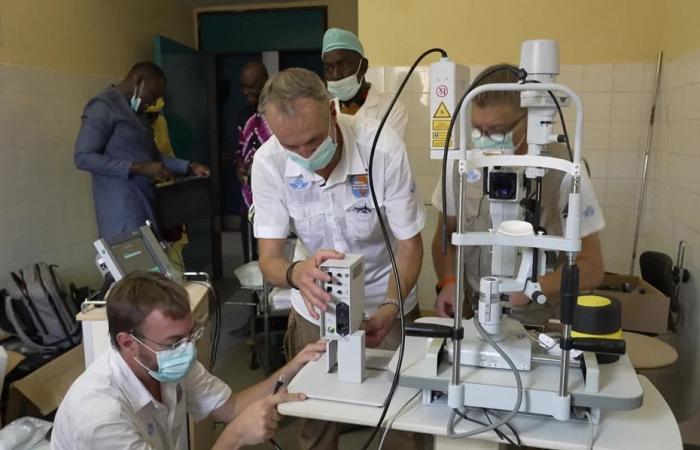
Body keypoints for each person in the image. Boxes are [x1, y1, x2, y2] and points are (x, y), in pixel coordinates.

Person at [251, 68, 426, 449]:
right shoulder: (268, 162)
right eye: (291, 146)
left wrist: (390, 307)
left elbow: (410, 245)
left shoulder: (381, 148)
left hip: (386, 294)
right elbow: (269, 259)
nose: (306, 156)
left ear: (332, 111)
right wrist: (297, 274)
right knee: (314, 414)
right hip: (315, 303)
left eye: (314, 141)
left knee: (403, 415)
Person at [51, 271, 326, 449]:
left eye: (190, 334)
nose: (186, 349)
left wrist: (295, 365)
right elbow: (234, 423)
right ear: (127, 342)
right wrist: (235, 437)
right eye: (173, 342)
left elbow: (230, 407)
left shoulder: (166, 363)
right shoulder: (99, 415)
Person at [432, 63, 605, 324]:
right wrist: (448, 282)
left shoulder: (565, 169)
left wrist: (532, 288)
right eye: (478, 130)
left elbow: (592, 267)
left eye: (496, 130)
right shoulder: (460, 164)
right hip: (474, 309)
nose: (484, 139)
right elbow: (445, 236)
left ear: (527, 121)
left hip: (539, 317)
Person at [74, 62, 210, 240]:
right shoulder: (103, 106)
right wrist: (138, 168)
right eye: (153, 95)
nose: (153, 102)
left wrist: (188, 167)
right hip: (121, 212)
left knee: (154, 265)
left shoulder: (137, 113)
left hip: (145, 206)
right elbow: (83, 157)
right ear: (138, 81)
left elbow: (152, 156)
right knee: (134, 266)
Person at [322, 28, 408, 139]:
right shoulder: (323, 110)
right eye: (328, 68)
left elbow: (388, 154)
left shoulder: (392, 109)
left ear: (363, 66)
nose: (336, 75)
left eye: (343, 65)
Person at [143, 97, 189, 270]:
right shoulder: (135, 125)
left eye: (156, 114)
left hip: (166, 192)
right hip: (146, 192)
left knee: (174, 246)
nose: (153, 118)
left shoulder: (161, 123)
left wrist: (181, 168)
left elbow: (166, 154)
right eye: (149, 115)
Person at [235, 61, 272, 262]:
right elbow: (239, 152)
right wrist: (239, 166)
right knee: (250, 255)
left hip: (274, 195)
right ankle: (253, 294)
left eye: (252, 86)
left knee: (272, 251)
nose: (246, 92)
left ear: (265, 84)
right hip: (248, 198)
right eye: (243, 86)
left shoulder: (278, 113)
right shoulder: (243, 115)